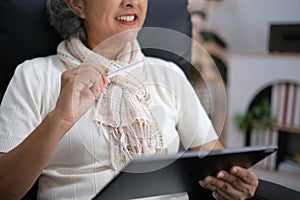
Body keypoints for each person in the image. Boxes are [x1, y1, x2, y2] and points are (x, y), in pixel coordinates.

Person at [0, 0, 258, 199]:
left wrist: (234, 182)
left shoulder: (168, 74)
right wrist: (60, 118)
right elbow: (5, 190)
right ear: (77, 4)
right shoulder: (35, 75)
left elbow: (216, 160)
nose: (131, 1)